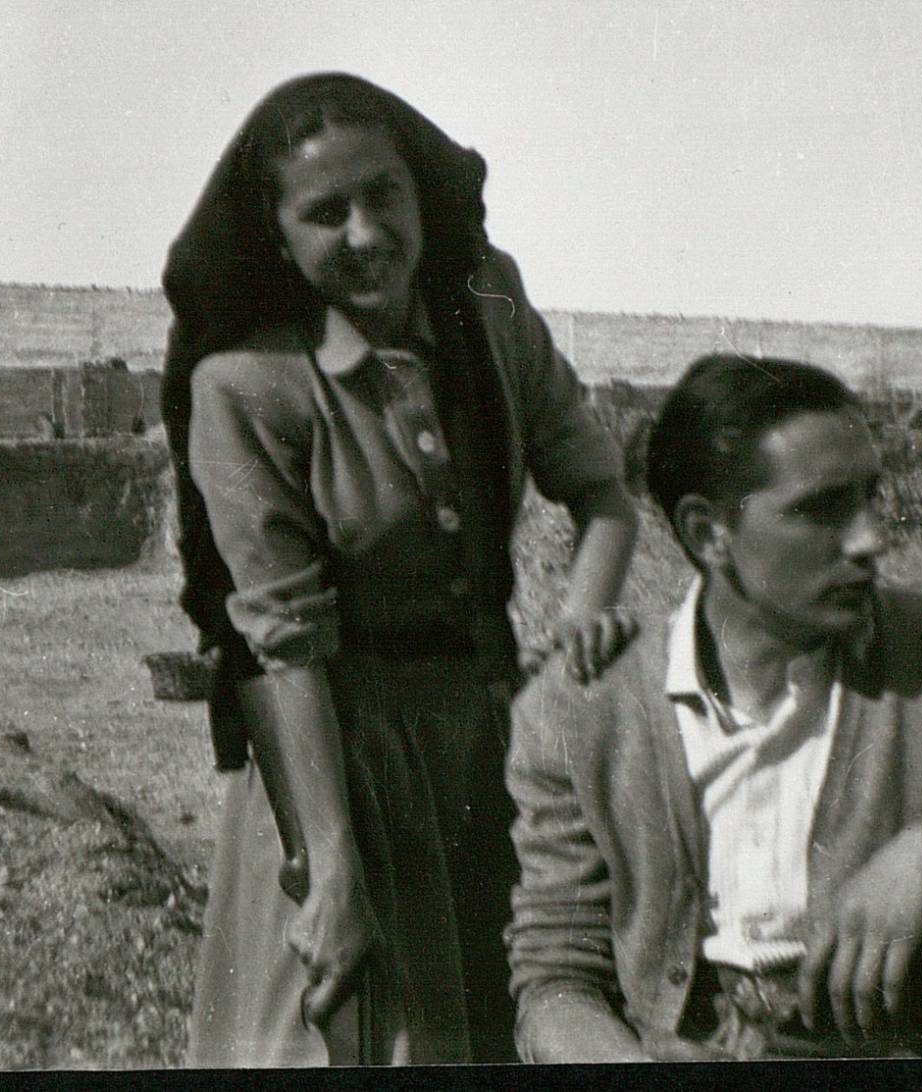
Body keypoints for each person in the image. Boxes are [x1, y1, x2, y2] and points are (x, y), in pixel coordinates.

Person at [504, 354, 922, 1062]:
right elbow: (557, 981)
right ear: (709, 532)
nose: (873, 539)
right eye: (822, 508)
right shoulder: (586, 703)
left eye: (872, 498)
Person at [161, 72, 639, 1066]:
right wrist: (328, 862)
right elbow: (279, 637)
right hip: (338, 765)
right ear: (278, 235)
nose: (367, 233)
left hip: (491, 751)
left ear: (422, 192)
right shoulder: (241, 389)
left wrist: (574, 641)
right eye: (324, 213)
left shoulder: (489, 304)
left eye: (385, 195)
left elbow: (600, 493)